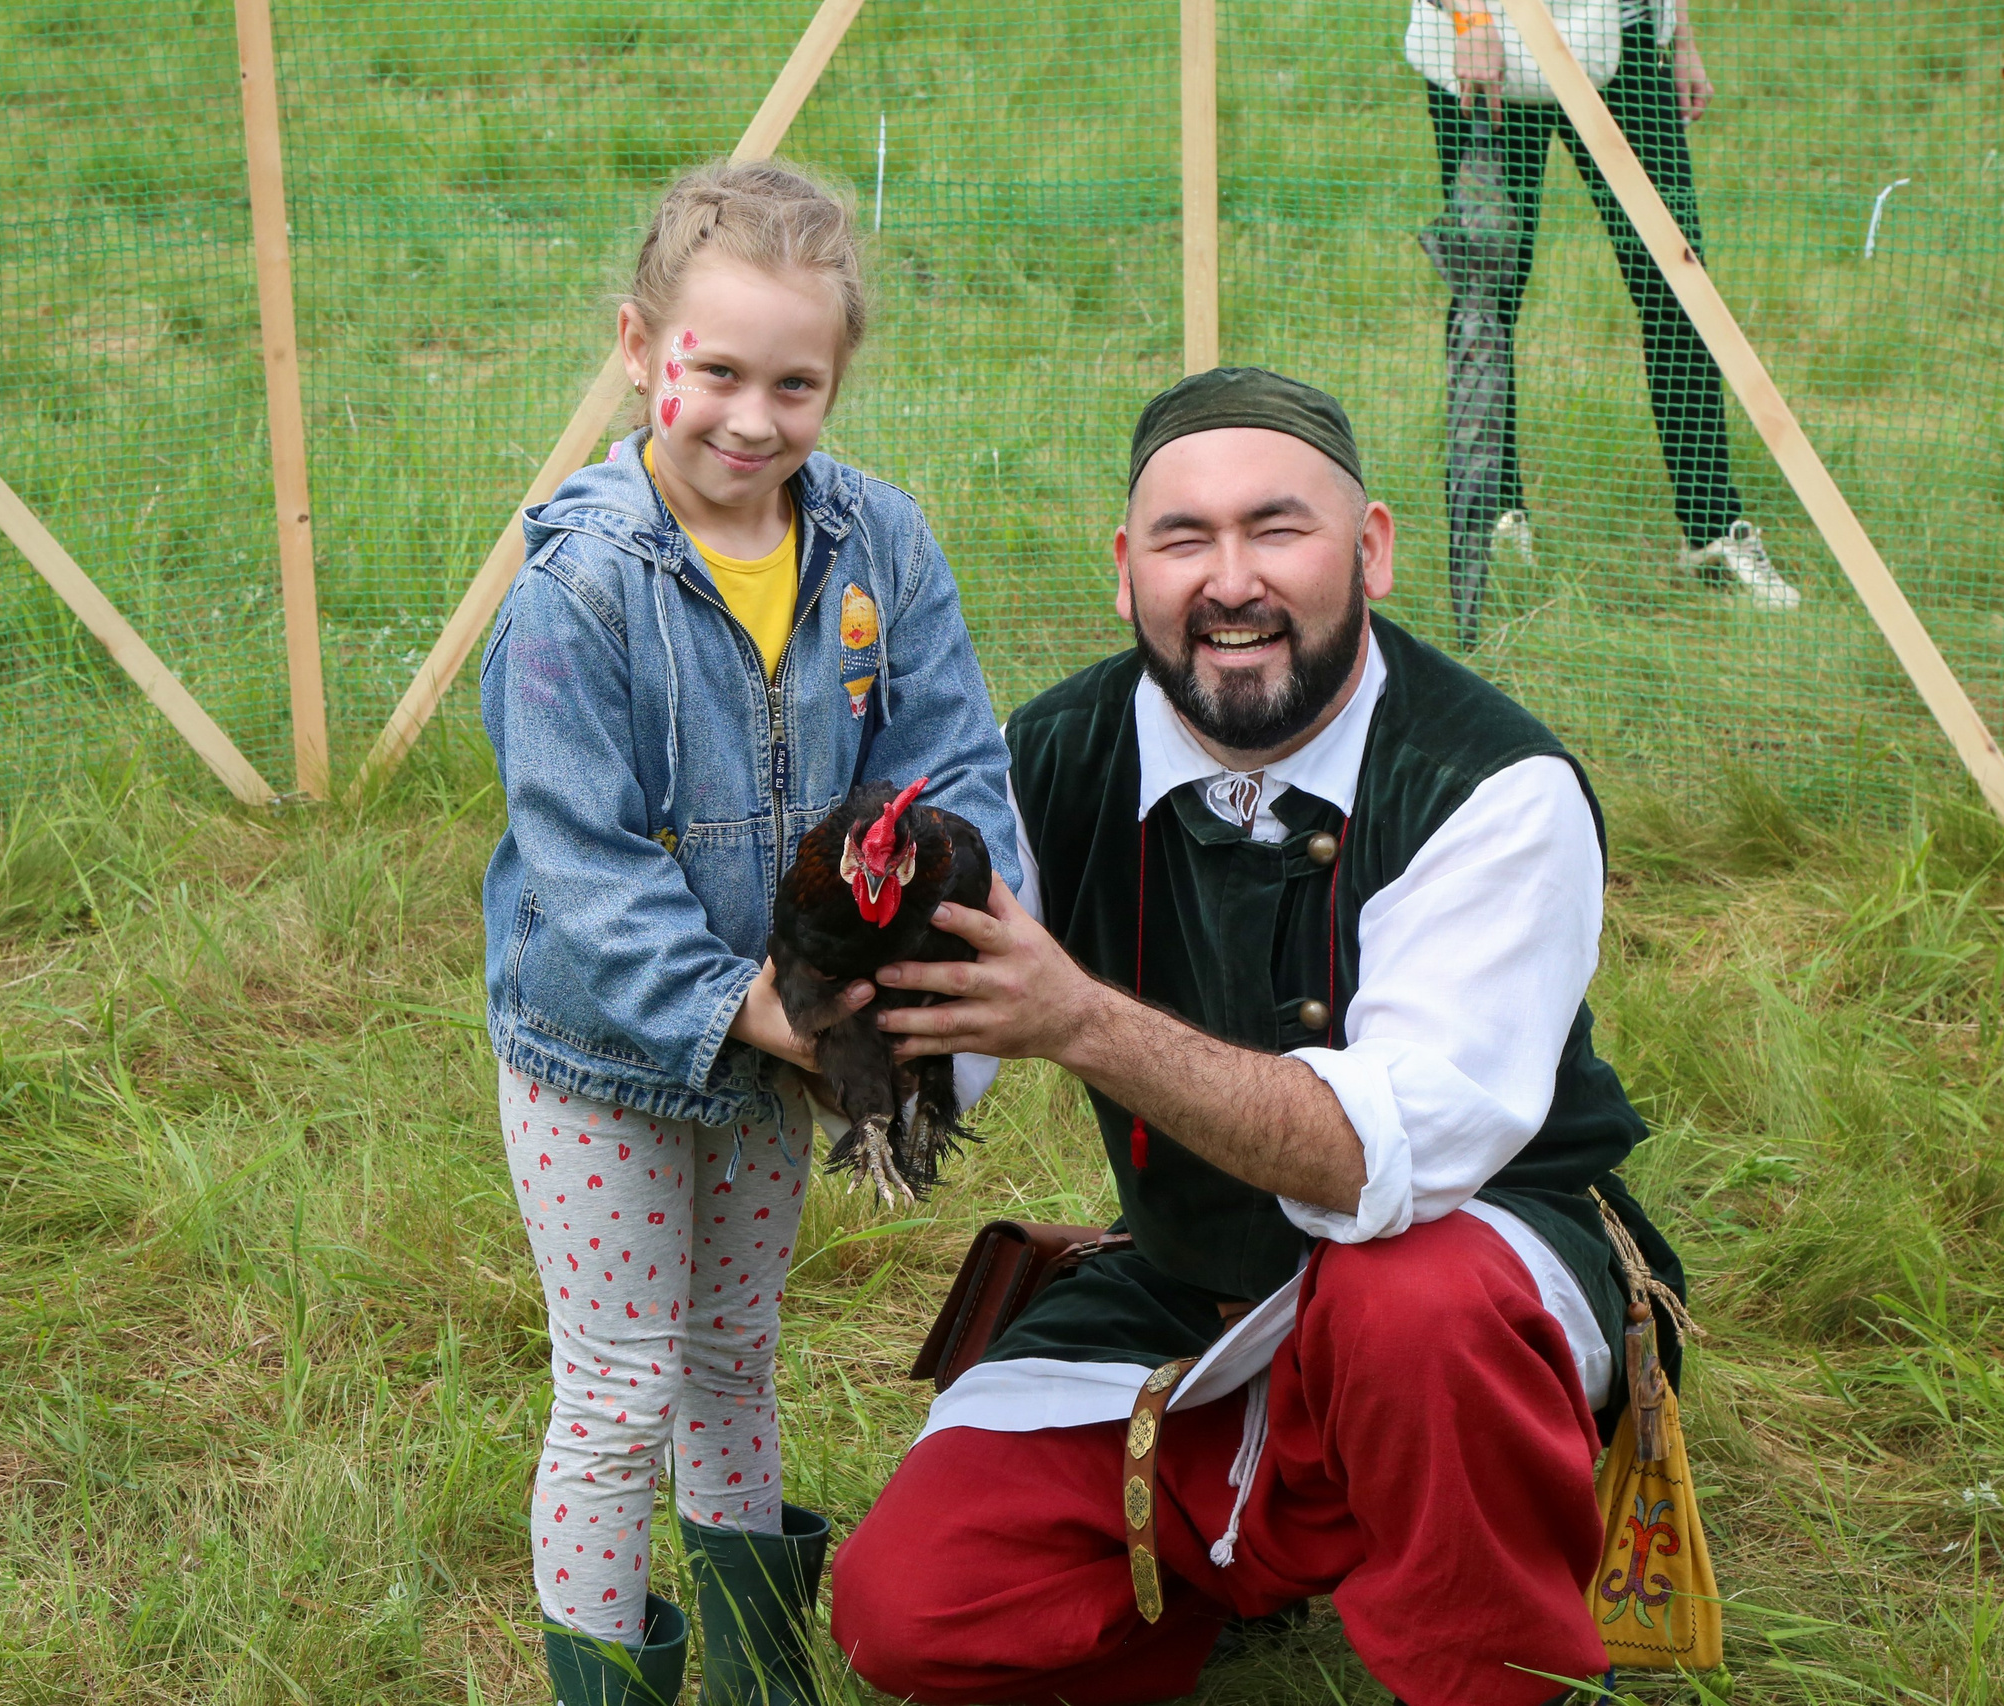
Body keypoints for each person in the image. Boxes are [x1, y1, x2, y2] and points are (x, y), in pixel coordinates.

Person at [825, 367, 1686, 1706]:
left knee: (1413, 1301)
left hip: (1473, 1281)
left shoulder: (1493, 785)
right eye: (1184, 539)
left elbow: (1377, 1160)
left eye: (1276, 529)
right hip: (1195, 1285)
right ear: (1125, 572)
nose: (1230, 580)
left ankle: (1487, 1655)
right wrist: (798, 935)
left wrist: (1081, 1017)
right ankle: (1266, 1541)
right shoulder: (1053, 750)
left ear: (1371, 547)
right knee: (912, 1606)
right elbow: (944, 1045)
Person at [477, 160, 1018, 1706]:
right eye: (715, 371)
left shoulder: (875, 545)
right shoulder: (581, 587)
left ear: (837, 381)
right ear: (643, 348)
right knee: (622, 1383)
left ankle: (766, 1674)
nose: (750, 418)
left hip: (791, 1032)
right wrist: (752, 1011)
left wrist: (962, 941)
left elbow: (953, 754)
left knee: (733, 1346)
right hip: (604, 1053)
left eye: (797, 382)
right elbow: (580, 869)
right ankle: (614, 1682)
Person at [1412, 0, 1801, 610]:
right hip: (1490, 44)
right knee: (1488, 293)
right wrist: (1472, 21)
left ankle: (1710, 530)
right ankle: (1496, 520)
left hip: (1626, 44)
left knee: (1678, 286)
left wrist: (1679, 38)